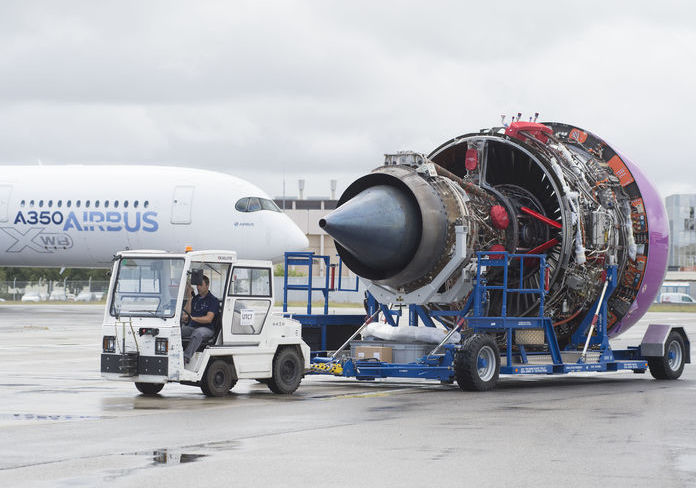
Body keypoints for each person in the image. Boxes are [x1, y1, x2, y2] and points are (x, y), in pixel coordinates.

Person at [181, 275, 219, 364]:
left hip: (207, 328)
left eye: (201, 285)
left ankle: (185, 357)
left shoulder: (213, 300)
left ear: (207, 285)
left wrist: (193, 318)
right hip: (192, 326)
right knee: (178, 331)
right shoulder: (196, 299)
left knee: (197, 333)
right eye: (197, 285)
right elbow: (186, 313)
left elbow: (209, 319)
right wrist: (190, 297)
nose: (198, 287)